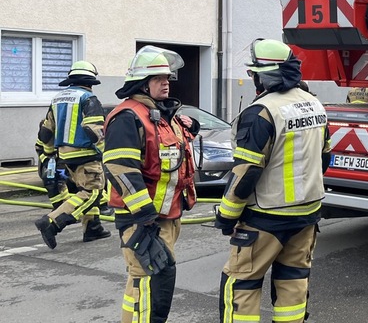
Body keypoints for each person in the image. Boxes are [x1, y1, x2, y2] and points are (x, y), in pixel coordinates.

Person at [215, 38, 331, 323]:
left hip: (265, 217)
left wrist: (227, 216)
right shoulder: (314, 104)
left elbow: (246, 173)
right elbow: (325, 158)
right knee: (293, 280)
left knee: (241, 282)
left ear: (262, 75)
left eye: (253, 73)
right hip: (307, 215)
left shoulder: (262, 111)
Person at [103, 45, 199, 323]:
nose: (166, 83)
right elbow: (120, 168)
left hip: (165, 217)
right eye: (159, 79)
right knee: (144, 284)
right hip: (142, 220)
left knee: (157, 282)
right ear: (143, 84)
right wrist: (144, 217)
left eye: (168, 78)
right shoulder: (127, 117)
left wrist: (190, 127)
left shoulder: (161, 115)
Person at [33, 61, 110, 249]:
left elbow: (46, 131)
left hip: (65, 156)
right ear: (91, 81)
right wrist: (107, 153)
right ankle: (52, 222)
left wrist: (49, 155)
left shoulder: (57, 99)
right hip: (86, 154)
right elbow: (94, 131)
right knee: (92, 192)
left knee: (84, 189)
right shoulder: (89, 99)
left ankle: (93, 228)